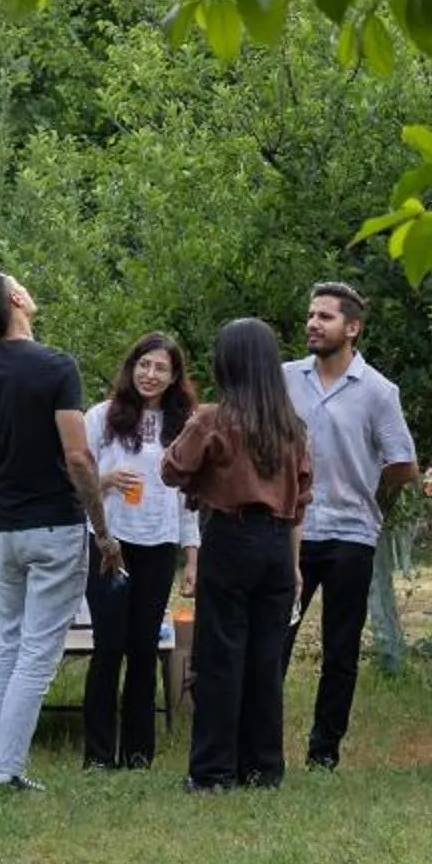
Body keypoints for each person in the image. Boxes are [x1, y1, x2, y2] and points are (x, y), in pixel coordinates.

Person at [0, 267, 116, 792]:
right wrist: (103, 531)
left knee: (10, 648)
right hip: (56, 527)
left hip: (8, 532)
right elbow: (79, 458)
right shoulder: (56, 367)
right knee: (39, 653)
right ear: (17, 298)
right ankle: (3, 770)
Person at [161, 318, 311, 793]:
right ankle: (263, 767)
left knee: (221, 656)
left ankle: (212, 772)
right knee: (266, 661)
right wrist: (294, 564)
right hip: (276, 543)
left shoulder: (213, 418)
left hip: (229, 536)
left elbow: (172, 468)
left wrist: (201, 483)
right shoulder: (290, 425)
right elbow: (301, 497)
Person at [284, 283, 416, 772]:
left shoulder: (379, 391)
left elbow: (403, 463)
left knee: (340, 649)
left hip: (351, 534)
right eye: (311, 315)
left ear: (352, 328)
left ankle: (324, 751)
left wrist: (372, 500)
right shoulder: (285, 379)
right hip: (293, 529)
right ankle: (257, 742)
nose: (313, 324)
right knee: (277, 637)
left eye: (325, 317)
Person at [83, 332, 201, 771]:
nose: (150, 375)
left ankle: (138, 753)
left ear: (174, 377)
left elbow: (190, 496)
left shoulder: (185, 423)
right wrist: (107, 480)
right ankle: (97, 754)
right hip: (109, 543)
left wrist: (192, 556)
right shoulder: (102, 417)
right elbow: (74, 479)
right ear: (131, 367)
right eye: (144, 365)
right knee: (108, 645)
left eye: (161, 368)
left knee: (143, 647)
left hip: (159, 542)